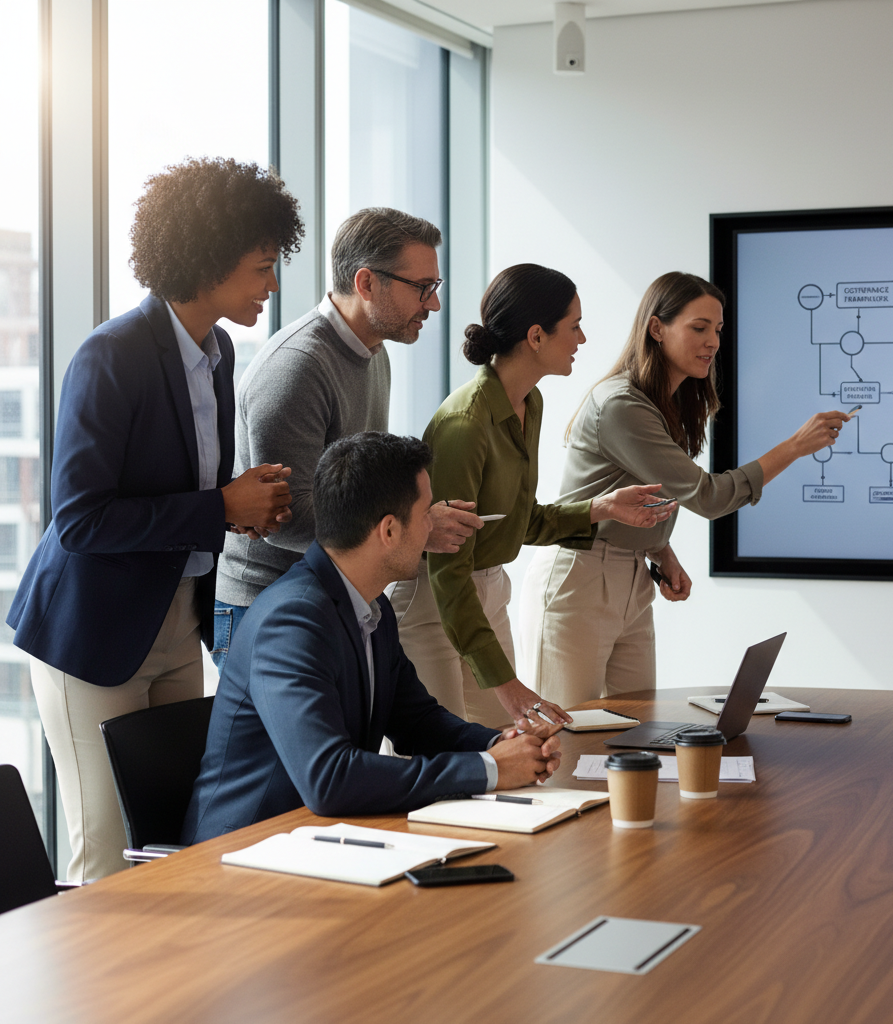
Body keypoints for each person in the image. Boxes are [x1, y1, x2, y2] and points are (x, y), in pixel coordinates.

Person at [6, 157, 303, 880]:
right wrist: (217, 506)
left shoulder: (220, 349)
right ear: (207, 260)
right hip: (95, 633)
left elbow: (184, 490)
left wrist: (237, 507)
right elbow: (79, 520)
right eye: (262, 267)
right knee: (107, 852)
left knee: (172, 841)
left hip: (175, 622)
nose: (271, 285)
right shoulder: (111, 356)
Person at [182, 433, 562, 843]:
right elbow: (329, 780)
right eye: (425, 515)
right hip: (242, 855)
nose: (432, 525)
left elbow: (417, 721)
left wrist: (500, 743)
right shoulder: (292, 621)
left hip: (316, 841)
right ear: (389, 530)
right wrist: (489, 769)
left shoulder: (368, 603)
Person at [519, 272, 850, 709]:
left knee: (633, 734)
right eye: (699, 328)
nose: (712, 341)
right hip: (577, 577)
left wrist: (660, 550)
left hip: (630, 575)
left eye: (717, 330)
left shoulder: (664, 406)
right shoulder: (622, 405)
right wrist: (794, 447)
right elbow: (708, 497)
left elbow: (648, 494)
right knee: (563, 738)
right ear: (657, 328)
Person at [389, 264, 675, 730]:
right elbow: (449, 570)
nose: (582, 339)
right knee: (437, 761)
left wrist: (601, 507)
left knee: (504, 751)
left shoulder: (529, 404)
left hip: (486, 591)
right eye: (574, 325)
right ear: (537, 336)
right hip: (433, 600)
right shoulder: (465, 423)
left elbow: (516, 522)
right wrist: (506, 684)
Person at [212, 208, 481, 670]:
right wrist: (409, 529)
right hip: (266, 606)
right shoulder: (297, 367)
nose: (433, 305)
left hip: (325, 597)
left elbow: (357, 489)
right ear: (366, 283)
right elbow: (286, 517)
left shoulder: (374, 352)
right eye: (422, 287)